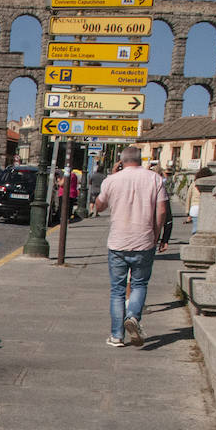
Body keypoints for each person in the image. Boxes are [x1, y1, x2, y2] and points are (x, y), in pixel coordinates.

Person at [93, 145, 168, 349]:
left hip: (118, 241)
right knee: (139, 284)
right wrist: (156, 232)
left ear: (122, 161)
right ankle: (133, 316)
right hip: (144, 240)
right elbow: (161, 211)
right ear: (140, 160)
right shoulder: (155, 179)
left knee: (117, 290)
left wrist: (111, 177)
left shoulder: (112, 180)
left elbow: (99, 206)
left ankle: (117, 336)